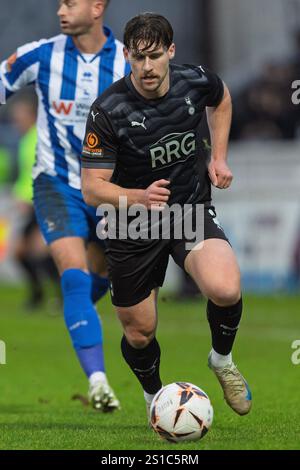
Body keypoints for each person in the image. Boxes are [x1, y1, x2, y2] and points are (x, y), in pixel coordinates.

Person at [81, 12, 252, 420]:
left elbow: (222, 98)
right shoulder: (108, 109)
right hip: (130, 224)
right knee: (140, 332)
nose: (147, 67)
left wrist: (220, 156)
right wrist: (138, 196)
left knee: (225, 288)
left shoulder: (195, 81)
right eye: (138, 58)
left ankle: (222, 360)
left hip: (187, 212)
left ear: (170, 52)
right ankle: (156, 397)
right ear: (126, 56)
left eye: (154, 56)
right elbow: (92, 188)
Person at [0, 0, 130, 411]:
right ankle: (98, 381)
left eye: (70, 2)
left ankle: (79, 313)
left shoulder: (130, 60)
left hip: (113, 189)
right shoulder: (41, 55)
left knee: (118, 287)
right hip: (56, 184)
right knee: (72, 276)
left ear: (96, 7)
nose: (60, 9)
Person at [10, 95, 59, 309]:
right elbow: (26, 176)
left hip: (44, 203)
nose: (16, 121)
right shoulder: (26, 139)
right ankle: (38, 294)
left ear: (31, 115)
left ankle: (62, 296)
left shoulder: (40, 139)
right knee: (20, 252)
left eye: (19, 116)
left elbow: (43, 174)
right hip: (30, 205)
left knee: (42, 252)